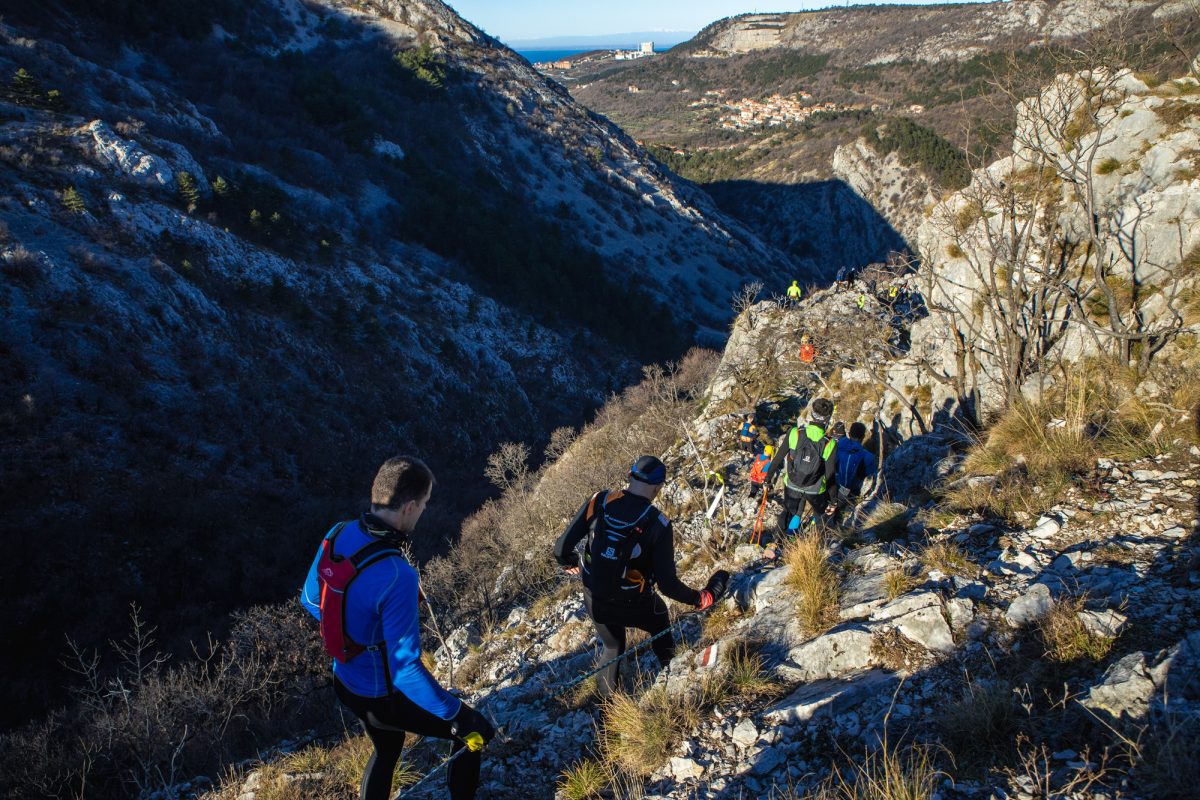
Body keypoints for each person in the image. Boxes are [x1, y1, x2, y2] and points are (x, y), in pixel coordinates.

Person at [301, 456, 495, 800]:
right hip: (381, 694)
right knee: (471, 732)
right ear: (408, 507)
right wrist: (458, 714)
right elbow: (405, 670)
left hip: (344, 680)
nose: (423, 511)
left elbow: (310, 599)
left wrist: (351, 634)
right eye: (424, 504)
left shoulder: (337, 534)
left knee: (388, 746)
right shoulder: (397, 575)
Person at [554, 456, 729, 697]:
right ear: (658, 488)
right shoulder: (658, 523)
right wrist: (699, 599)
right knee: (659, 619)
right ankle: (672, 672)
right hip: (632, 602)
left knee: (613, 645)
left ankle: (606, 717)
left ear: (630, 475)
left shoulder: (601, 500)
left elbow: (560, 549)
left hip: (594, 597)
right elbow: (668, 586)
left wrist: (569, 562)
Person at [762, 399, 838, 559]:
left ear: (811, 414)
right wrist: (833, 501)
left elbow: (776, 460)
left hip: (793, 484)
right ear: (828, 418)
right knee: (820, 514)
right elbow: (830, 475)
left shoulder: (795, 433)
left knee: (789, 511)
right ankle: (815, 545)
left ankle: (776, 544)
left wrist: (767, 480)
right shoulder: (829, 443)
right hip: (816, 488)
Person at [830, 422, 878, 527]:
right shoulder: (868, 456)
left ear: (849, 434)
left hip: (832, 485)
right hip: (852, 491)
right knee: (840, 512)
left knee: (831, 511)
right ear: (863, 436)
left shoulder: (838, 445)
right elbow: (871, 477)